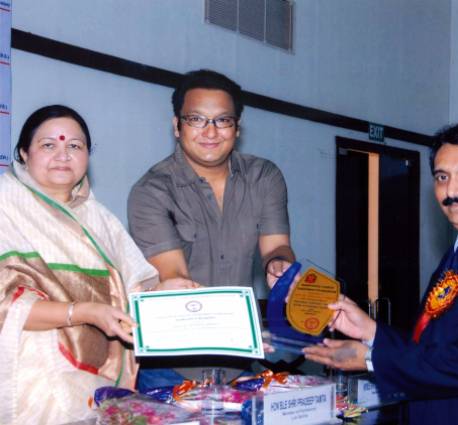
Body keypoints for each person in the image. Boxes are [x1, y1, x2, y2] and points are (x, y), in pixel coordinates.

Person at [304, 121, 458, 425]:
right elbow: (433, 344)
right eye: (442, 177)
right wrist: (373, 332)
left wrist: (370, 358)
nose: (452, 191)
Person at [0, 105, 195, 424]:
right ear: (23, 153)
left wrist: (162, 290)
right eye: (48, 145)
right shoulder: (5, 206)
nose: (63, 155)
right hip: (29, 380)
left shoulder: (98, 218)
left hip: (93, 383)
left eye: (75, 146)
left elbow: (129, 293)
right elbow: (5, 305)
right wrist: (85, 312)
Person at [128, 70, 296, 387]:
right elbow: (176, 279)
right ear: (177, 126)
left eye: (222, 120)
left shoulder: (264, 177)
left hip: (238, 365)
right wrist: (242, 332)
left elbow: (277, 246)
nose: (210, 131)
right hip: (169, 368)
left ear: (237, 128)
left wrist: (279, 264)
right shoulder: (152, 191)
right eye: (196, 119)